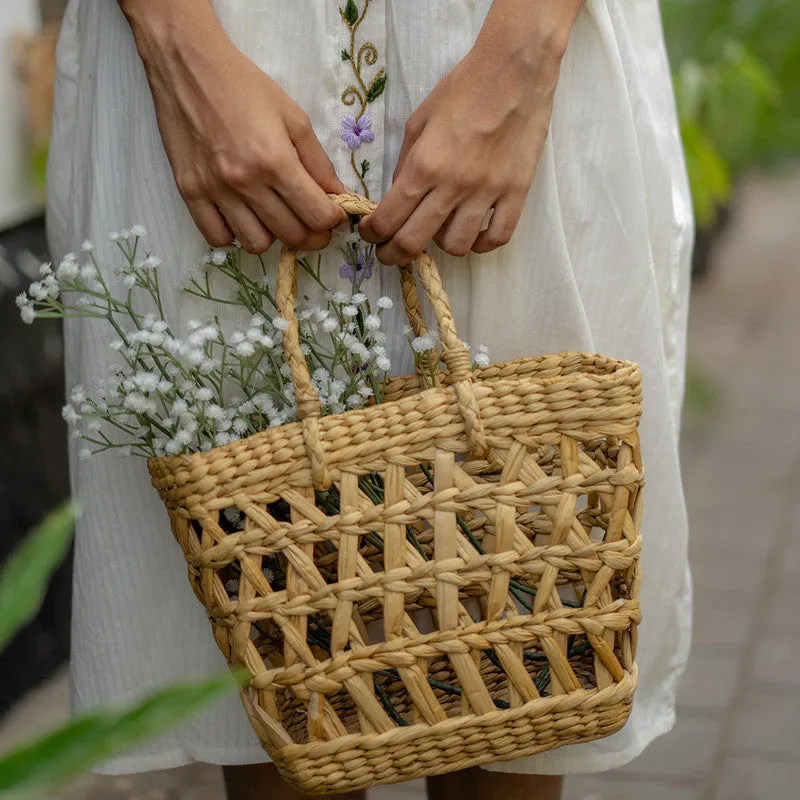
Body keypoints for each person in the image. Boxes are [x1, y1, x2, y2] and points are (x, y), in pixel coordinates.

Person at [47, 1, 693, 798]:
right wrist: (181, 47)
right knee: (274, 651)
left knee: (520, 650)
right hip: (225, 55)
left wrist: (521, 54)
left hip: (498, 40)